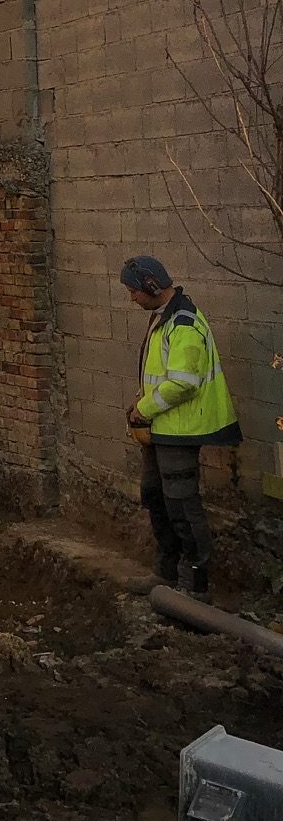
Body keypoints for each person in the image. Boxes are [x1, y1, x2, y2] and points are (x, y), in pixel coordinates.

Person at [120, 255, 241, 596]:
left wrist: (143, 409)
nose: (132, 299)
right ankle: (166, 572)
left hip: (182, 430)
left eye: (133, 291)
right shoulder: (164, 318)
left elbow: (184, 382)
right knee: (155, 496)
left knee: (182, 506)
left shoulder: (183, 322)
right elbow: (162, 374)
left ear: (151, 286)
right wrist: (141, 400)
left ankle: (195, 586)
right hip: (163, 427)